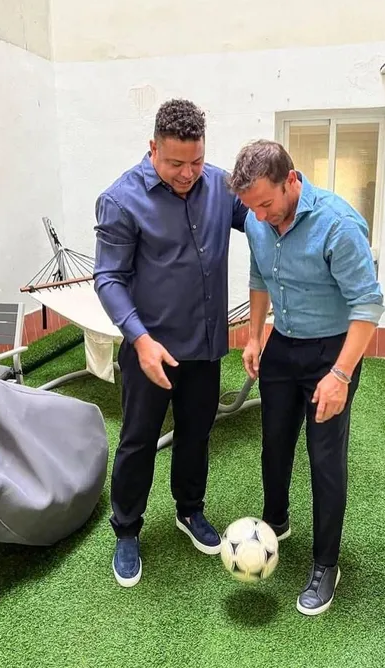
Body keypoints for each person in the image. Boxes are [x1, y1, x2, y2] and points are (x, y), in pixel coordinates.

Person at [93, 99, 248, 587]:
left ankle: (189, 510)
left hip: (205, 344)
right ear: (152, 148)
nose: (187, 173)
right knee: (138, 441)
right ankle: (126, 530)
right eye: (176, 163)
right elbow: (108, 278)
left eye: (196, 161)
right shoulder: (121, 200)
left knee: (197, 433)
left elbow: (266, 214)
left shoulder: (221, 186)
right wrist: (139, 339)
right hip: (150, 351)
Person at [228, 140, 385, 616]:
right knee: (274, 444)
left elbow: (368, 306)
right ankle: (275, 523)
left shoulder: (338, 225)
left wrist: (341, 374)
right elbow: (259, 278)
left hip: (331, 354)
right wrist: (255, 337)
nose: (259, 216)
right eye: (252, 208)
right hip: (282, 346)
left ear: (291, 180)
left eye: (266, 204)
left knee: (324, 457)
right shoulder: (257, 220)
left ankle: (326, 564)